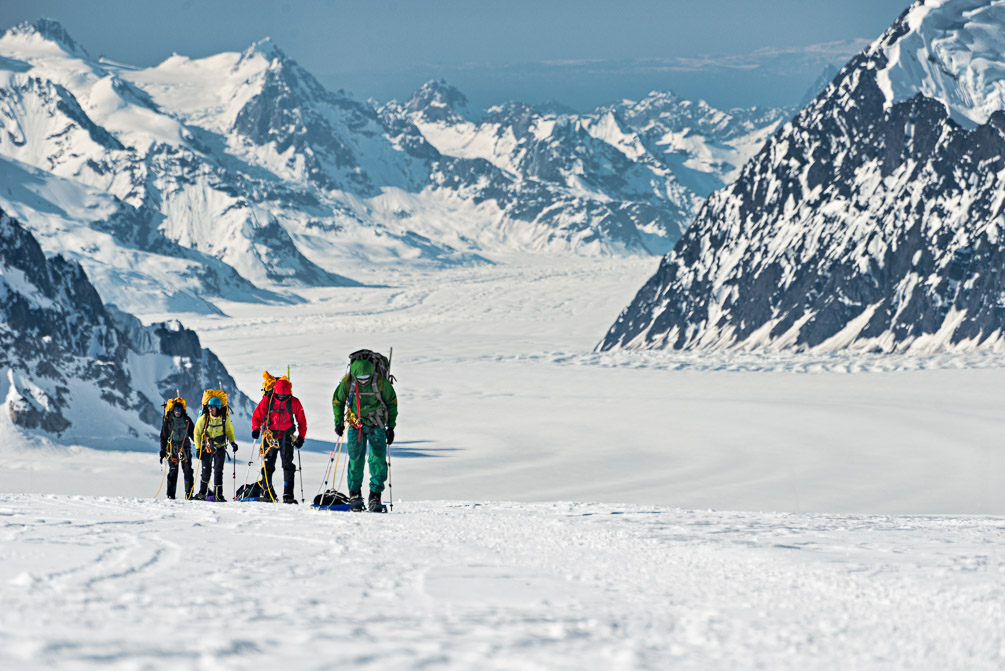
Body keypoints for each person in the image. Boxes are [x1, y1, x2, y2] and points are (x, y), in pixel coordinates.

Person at [332, 356, 397, 512]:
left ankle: (375, 495)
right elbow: (337, 401)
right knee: (356, 459)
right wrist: (338, 421)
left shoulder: (381, 383)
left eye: (366, 377)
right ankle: (355, 494)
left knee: (378, 460)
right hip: (356, 425)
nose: (363, 380)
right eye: (360, 378)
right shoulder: (348, 383)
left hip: (377, 425)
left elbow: (392, 403)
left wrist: (391, 427)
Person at [251, 377, 306, 504]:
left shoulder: (292, 402)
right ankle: (269, 491)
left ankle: (285, 494)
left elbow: (302, 421)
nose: (281, 398)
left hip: (285, 437)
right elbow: (257, 416)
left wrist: (301, 437)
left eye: (284, 396)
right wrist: (255, 428)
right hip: (271, 437)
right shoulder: (270, 401)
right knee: (270, 466)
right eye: (279, 395)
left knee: (286, 466)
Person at [192, 394, 238, 502]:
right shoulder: (204, 418)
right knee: (205, 471)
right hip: (206, 448)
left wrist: (233, 443)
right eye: (209, 406)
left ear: (217, 407)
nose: (209, 408)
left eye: (212, 406)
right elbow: (197, 433)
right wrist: (198, 448)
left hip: (220, 448)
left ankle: (218, 495)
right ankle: (203, 493)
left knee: (218, 471)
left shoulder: (224, 419)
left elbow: (229, 432)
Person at [159, 397, 195, 500]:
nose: (177, 412)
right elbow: (164, 436)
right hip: (172, 449)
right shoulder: (168, 421)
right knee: (173, 472)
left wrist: (199, 445)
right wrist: (162, 451)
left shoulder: (187, 420)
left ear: (182, 410)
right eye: (175, 410)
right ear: (173, 410)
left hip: (185, 449)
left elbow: (193, 434)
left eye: (179, 410)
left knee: (188, 471)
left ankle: (189, 494)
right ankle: (171, 496)